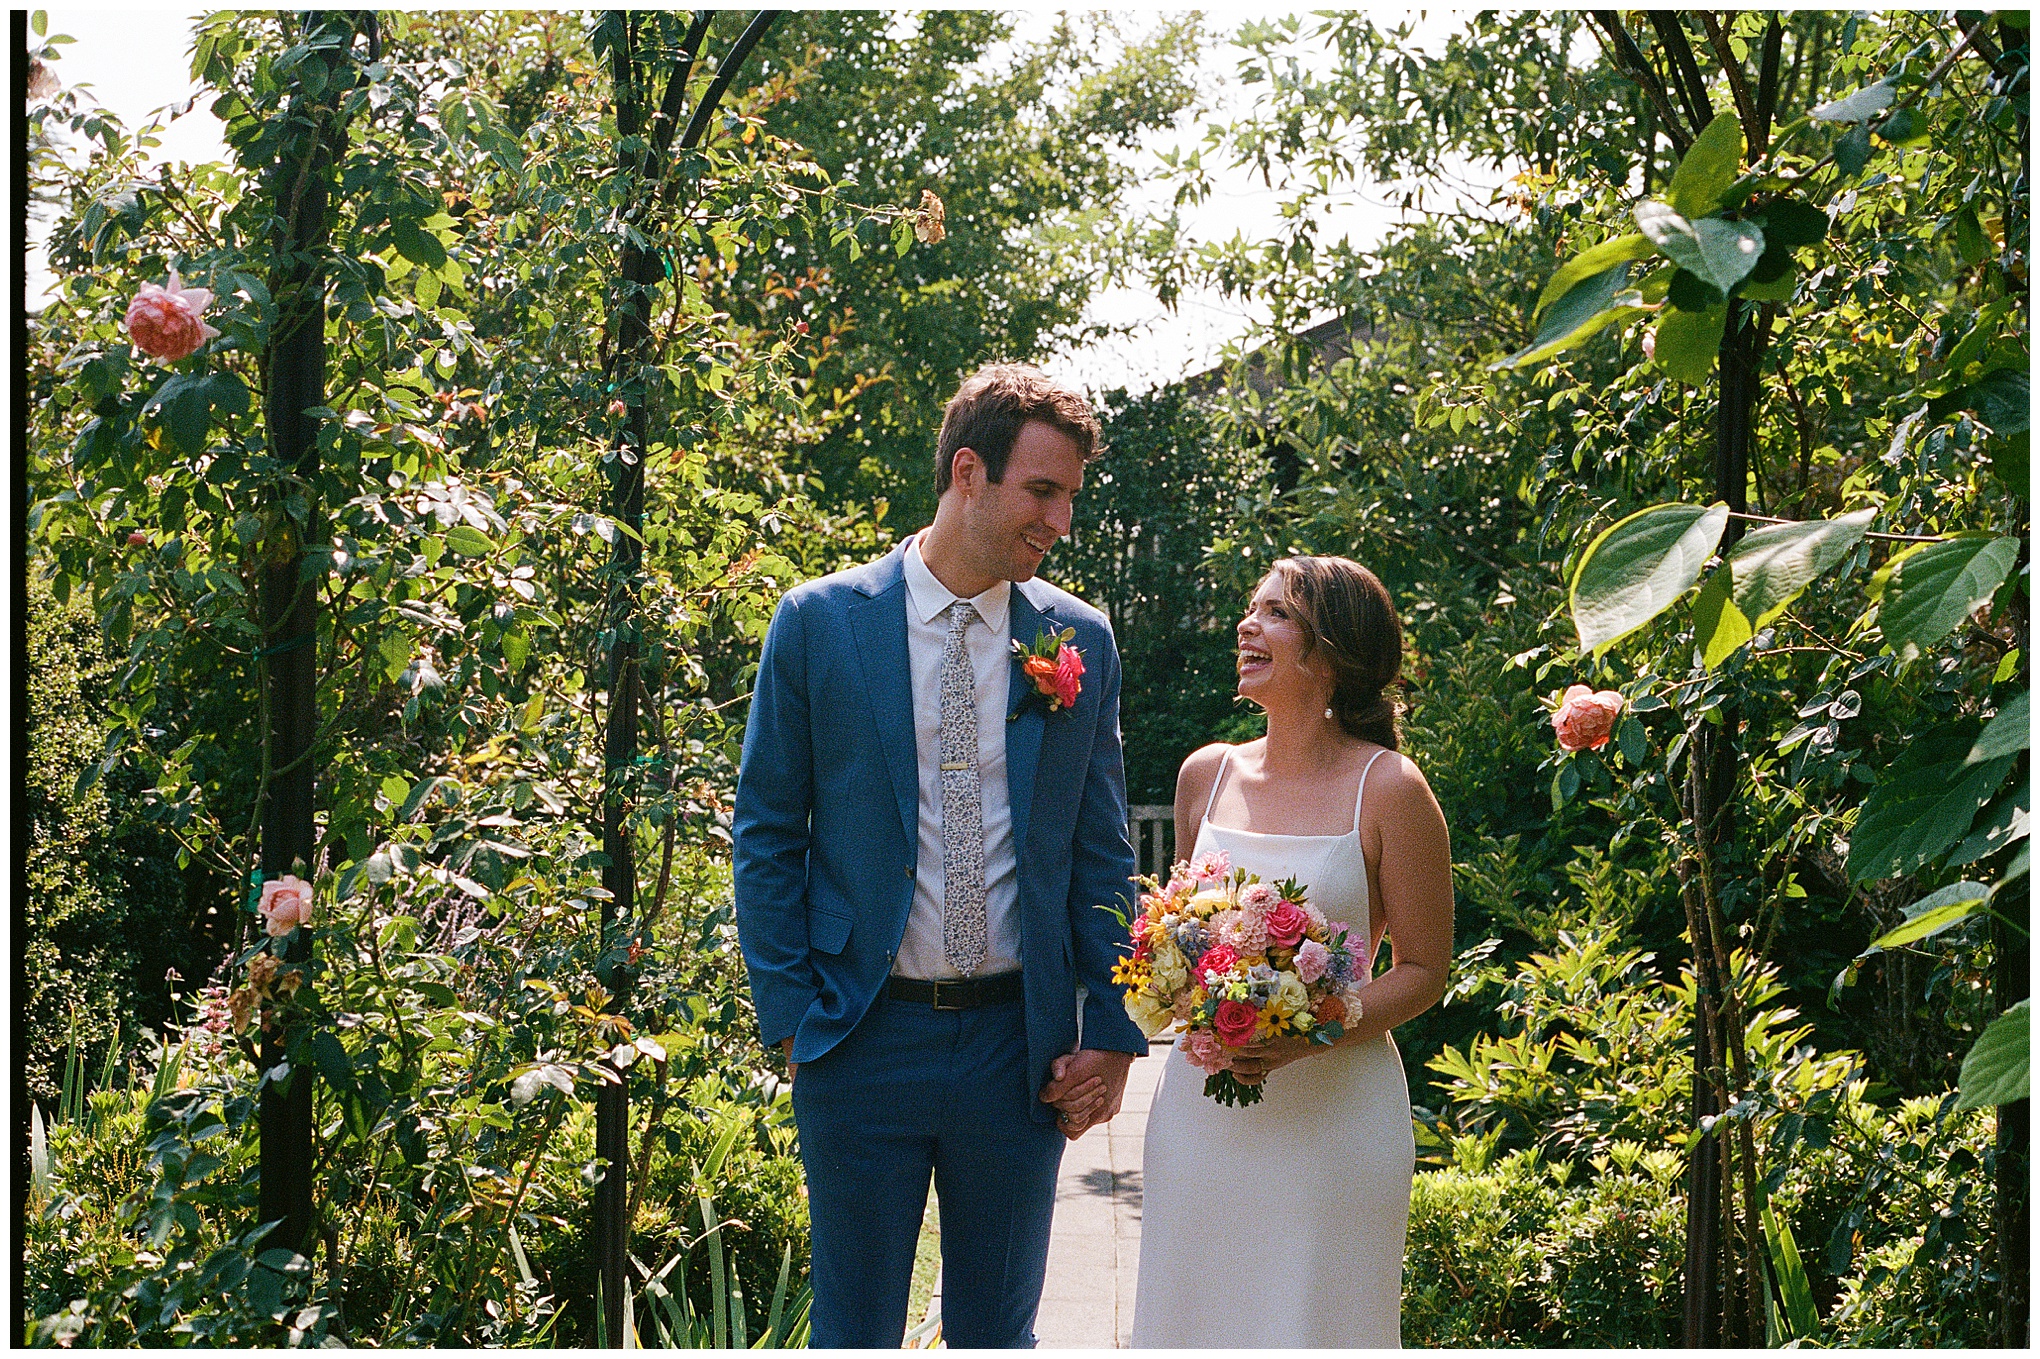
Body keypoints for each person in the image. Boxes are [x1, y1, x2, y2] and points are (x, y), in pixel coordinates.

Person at [733, 363, 1148, 1349]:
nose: (1060, 521)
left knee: (998, 1338)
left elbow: (1100, 852)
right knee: (857, 1333)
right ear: (969, 471)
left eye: (1071, 498)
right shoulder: (821, 624)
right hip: (860, 1037)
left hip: (1019, 1052)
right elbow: (765, 831)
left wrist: (1116, 1029)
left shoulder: (1075, 636)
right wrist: (791, 1016)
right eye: (1042, 492)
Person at [1130, 555, 1453, 1348]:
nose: (1247, 624)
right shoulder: (1205, 774)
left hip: (1336, 1129)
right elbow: (1183, 931)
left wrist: (1308, 1028)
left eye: (1275, 612)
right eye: (1252, 608)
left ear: (1329, 653)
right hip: (1203, 1122)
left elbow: (1424, 969)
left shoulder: (1391, 789)